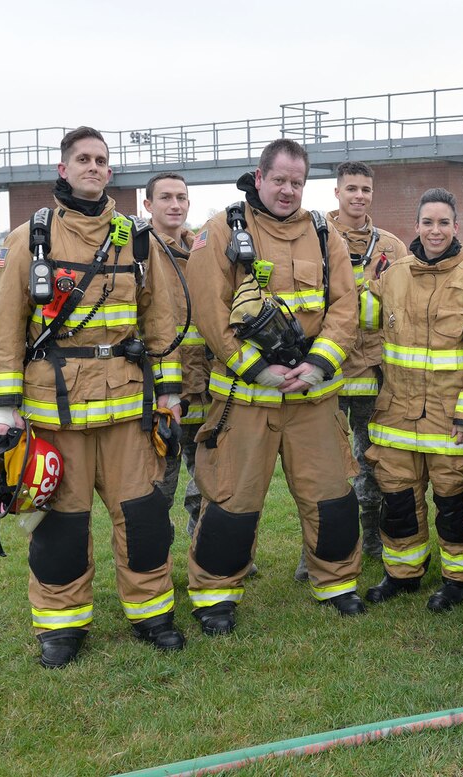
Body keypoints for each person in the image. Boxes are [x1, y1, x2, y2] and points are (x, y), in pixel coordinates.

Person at [0, 126, 186, 667]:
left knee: (143, 519)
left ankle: (151, 614)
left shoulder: (139, 240)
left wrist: (169, 396)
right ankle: (61, 628)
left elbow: (162, 325)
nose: (94, 167)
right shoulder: (31, 239)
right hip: (55, 415)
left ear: (109, 171)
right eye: (84, 159)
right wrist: (5, 410)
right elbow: (4, 330)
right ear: (63, 169)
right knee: (60, 527)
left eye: (101, 160)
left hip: (127, 413)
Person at [185, 138, 366, 632]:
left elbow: (344, 308)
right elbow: (209, 312)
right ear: (259, 177)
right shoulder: (222, 230)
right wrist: (257, 369)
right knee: (232, 502)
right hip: (244, 403)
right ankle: (216, 597)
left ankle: (337, 584)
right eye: (280, 180)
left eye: (297, 182)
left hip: (313, 398)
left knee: (330, 496)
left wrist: (317, 367)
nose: (288, 191)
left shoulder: (325, 233)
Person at [360, 188, 463, 612]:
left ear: (456, 226)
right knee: (399, 502)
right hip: (397, 417)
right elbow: (360, 318)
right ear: (417, 226)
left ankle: (460, 580)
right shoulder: (393, 275)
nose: (436, 230)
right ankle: (402, 574)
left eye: (444, 222)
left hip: (451, 421)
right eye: (428, 222)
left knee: (453, 505)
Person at [321, 162, 406, 562]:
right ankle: (323, 546)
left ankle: (371, 538)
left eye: (366, 189)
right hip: (328, 370)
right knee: (326, 465)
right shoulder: (314, 236)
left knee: (374, 459)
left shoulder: (391, 246)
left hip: (375, 371)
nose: (359, 196)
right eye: (351, 188)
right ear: (336, 192)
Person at [144, 173, 205, 537]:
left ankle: (208, 552)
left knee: (211, 481)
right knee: (156, 486)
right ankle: (153, 563)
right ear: (148, 205)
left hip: (205, 386)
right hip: (158, 392)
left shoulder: (203, 249)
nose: (175, 204)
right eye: (165, 197)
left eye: (181, 197)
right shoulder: (138, 250)